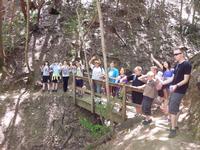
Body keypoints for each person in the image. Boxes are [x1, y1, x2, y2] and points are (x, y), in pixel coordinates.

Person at [167, 47, 192, 138]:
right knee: (173, 107)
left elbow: (186, 80)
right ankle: (175, 125)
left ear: (182, 54)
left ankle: (173, 129)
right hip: (173, 89)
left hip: (180, 90)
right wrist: (169, 84)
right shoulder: (177, 64)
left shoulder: (187, 64)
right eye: (174, 54)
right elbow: (173, 77)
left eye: (177, 54)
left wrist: (176, 85)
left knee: (172, 109)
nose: (175, 56)